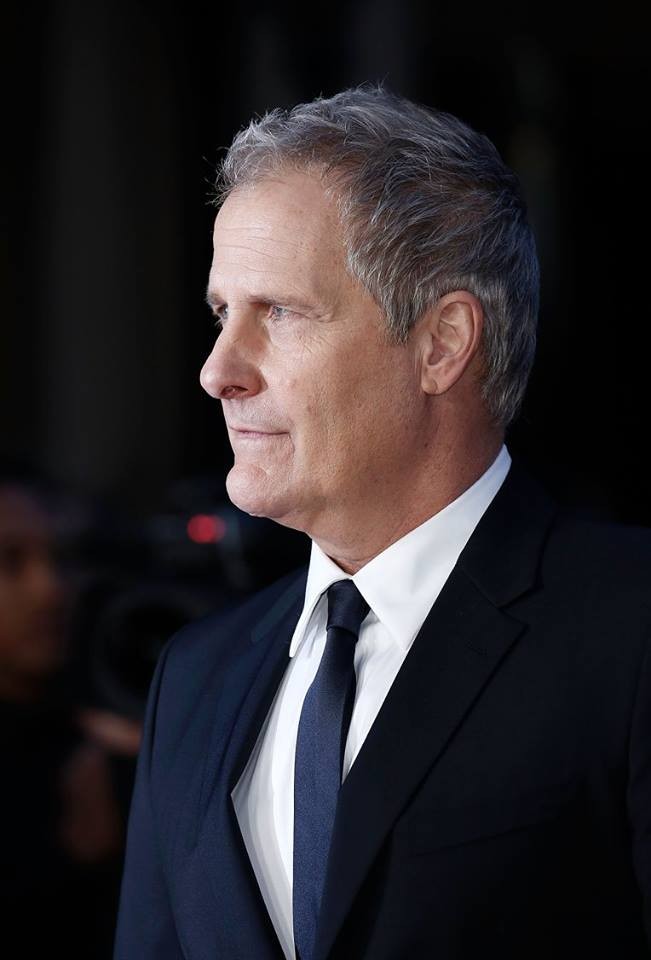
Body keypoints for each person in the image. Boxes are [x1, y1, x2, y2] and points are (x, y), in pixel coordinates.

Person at [113, 86, 651, 959]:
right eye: (221, 313)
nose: (218, 370)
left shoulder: (629, 628)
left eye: (279, 312)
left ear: (441, 344)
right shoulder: (194, 678)